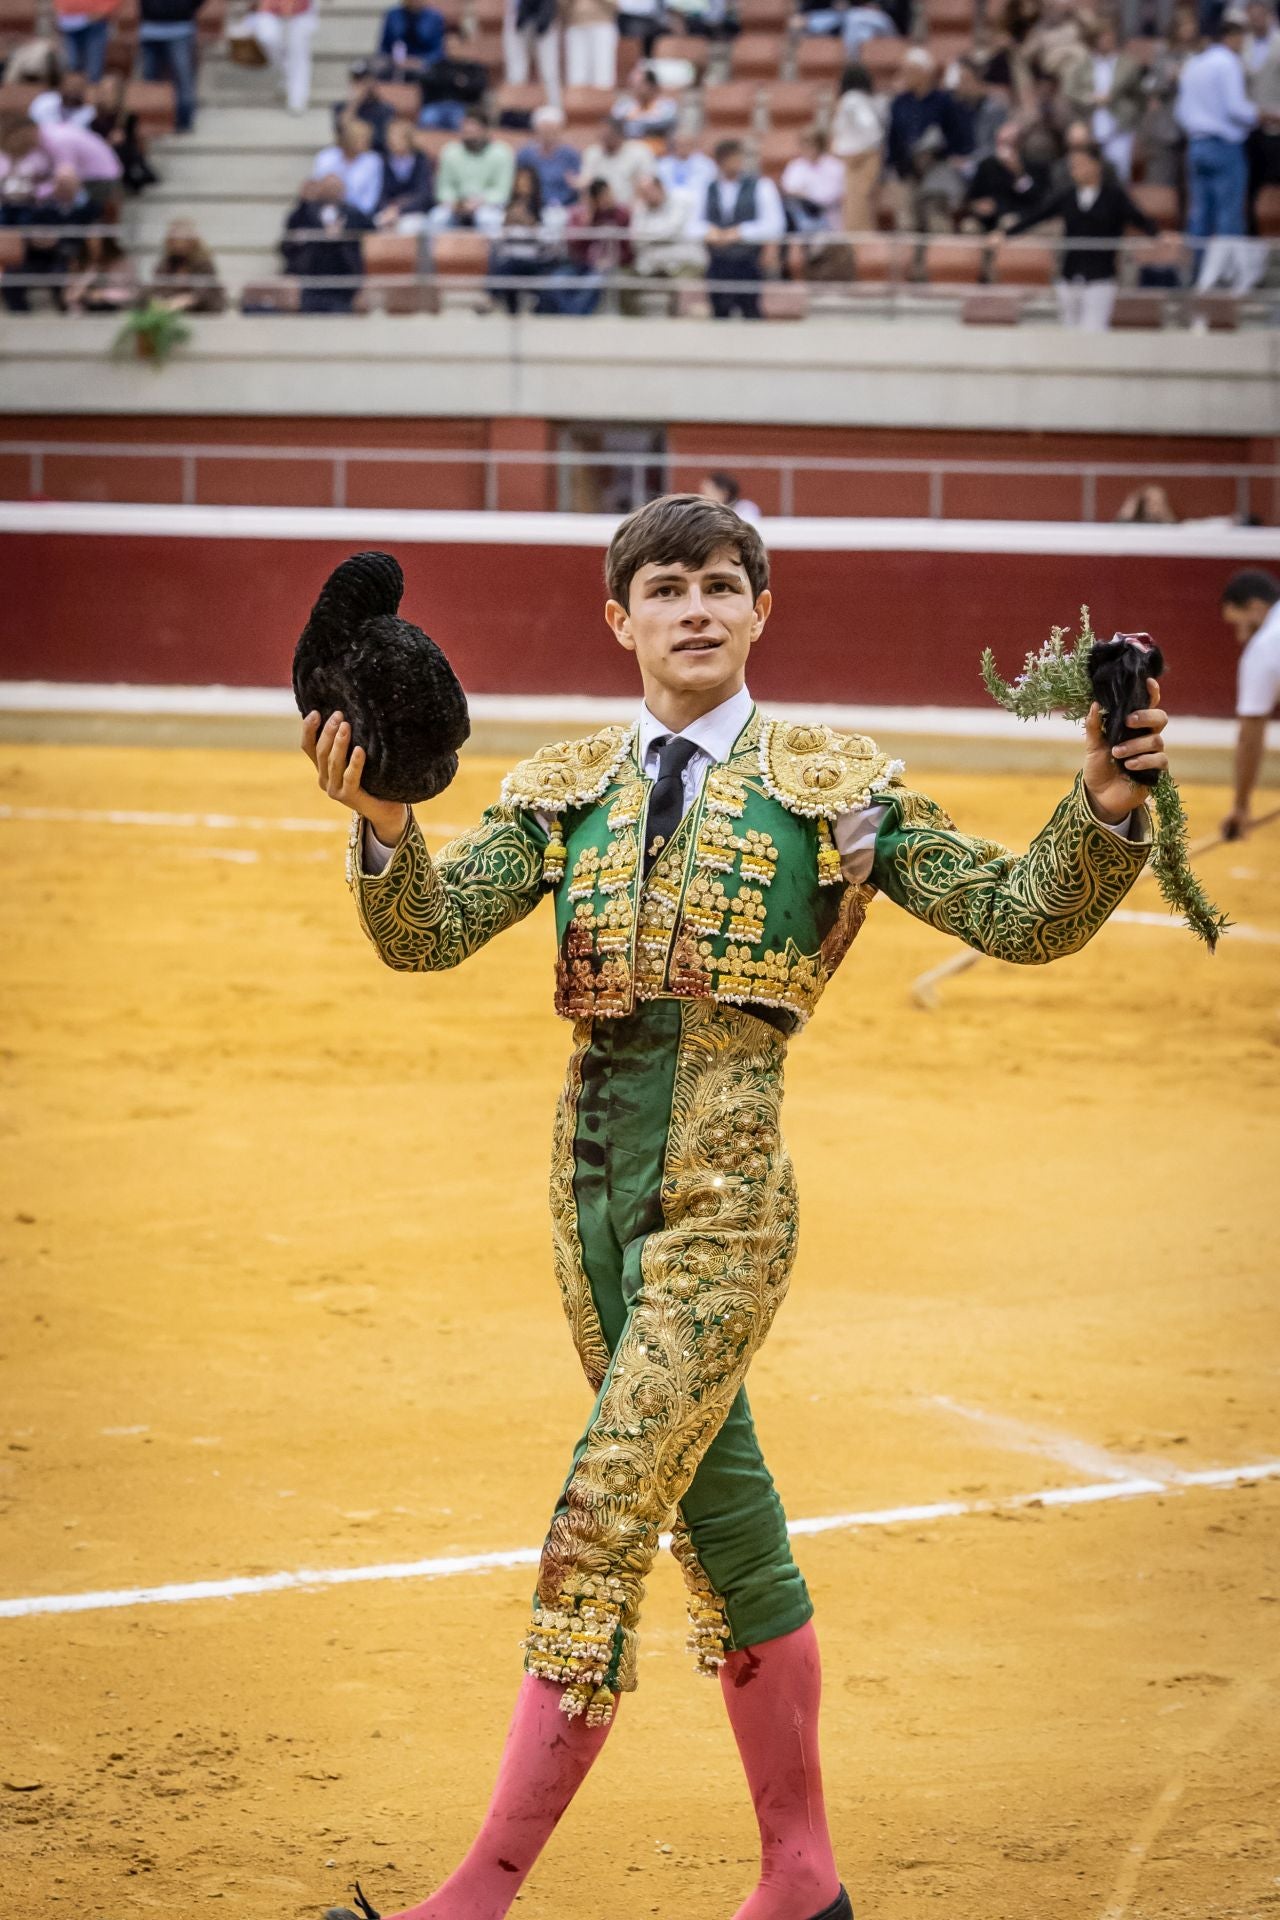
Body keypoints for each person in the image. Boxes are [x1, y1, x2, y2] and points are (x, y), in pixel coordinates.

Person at [309, 489, 1167, 1920]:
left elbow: (1024, 918)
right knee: (728, 1534)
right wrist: (386, 820)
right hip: (588, 1212)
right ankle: (803, 1884)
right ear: (619, 620)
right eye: (665, 589)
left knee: (599, 1523)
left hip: (726, 1205)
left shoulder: (839, 781)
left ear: (761, 612)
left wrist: (1107, 806)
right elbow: (431, 939)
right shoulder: (566, 783)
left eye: (721, 584)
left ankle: (470, 1904)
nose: (695, 607)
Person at [1001, 136, 1162, 330]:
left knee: (1094, 328)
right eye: (1073, 165)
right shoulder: (1068, 195)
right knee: (1070, 330)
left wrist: (1159, 235)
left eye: (1081, 164)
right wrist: (1006, 234)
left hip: (1100, 276)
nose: (1075, 170)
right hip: (1070, 275)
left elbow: (1139, 219)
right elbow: (1038, 215)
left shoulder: (1114, 196)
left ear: (1096, 166)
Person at [1176, 8, 1258, 280]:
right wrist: (1260, 114)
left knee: (1199, 215)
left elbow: (1180, 112)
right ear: (1232, 37)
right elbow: (1237, 108)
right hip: (1224, 146)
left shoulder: (1194, 64)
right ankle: (1221, 283)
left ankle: (1196, 275)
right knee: (1228, 216)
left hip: (1196, 146)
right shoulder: (1228, 62)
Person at [689, 135, 785, 317]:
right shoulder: (705, 188)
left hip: (748, 260)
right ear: (720, 161)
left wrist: (740, 232)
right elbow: (692, 224)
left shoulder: (761, 185)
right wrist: (710, 231)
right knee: (719, 311)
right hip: (717, 260)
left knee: (750, 309)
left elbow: (775, 224)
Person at [1219, 568, 1280, 838]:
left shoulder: (1266, 645)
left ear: (1256, 608)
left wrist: (1241, 807)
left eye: (1240, 624)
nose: (1241, 636)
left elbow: (1250, 736)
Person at [1061, 14, 1147, 181]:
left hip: (1119, 126)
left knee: (1119, 174)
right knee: (1088, 173)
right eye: (1102, 37)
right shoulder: (1082, 64)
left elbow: (1139, 97)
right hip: (1091, 125)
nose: (1107, 40)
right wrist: (1090, 98)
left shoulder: (1128, 65)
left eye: (1110, 36)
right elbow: (1070, 91)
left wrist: (1131, 116)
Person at [1, 163, 95, 311]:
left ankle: (64, 311)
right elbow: (31, 227)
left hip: (67, 256)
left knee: (63, 274)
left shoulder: (88, 209)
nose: (63, 187)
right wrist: (34, 238)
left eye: (67, 183)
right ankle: (20, 314)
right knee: (12, 274)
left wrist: (58, 241)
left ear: (76, 184)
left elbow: (87, 237)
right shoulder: (45, 206)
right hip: (38, 255)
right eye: (60, 183)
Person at [282, 172, 374, 310]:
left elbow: (371, 230)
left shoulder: (352, 213)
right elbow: (291, 232)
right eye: (329, 187)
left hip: (344, 275)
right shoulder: (307, 211)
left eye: (336, 187)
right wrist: (303, 202)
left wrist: (342, 235)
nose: (333, 191)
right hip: (312, 274)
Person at [622, 168, 703, 308]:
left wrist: (649, 236)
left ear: (660, 187)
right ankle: (635, 326)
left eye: (648, 191)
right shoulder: (641, 207)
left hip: (681, 260)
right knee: (624, 283)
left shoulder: (680, 201)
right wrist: (656, 236)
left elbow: (671, 231)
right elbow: (636, 237)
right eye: (642, 193)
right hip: (650, 263)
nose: (645, 196)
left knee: (682, 290)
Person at [428, 107, 515, 231]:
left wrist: (481, 201)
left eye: (474, 128)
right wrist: (454, 202)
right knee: (437, 218)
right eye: (466, 128)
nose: (468, 131)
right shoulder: (449, 152)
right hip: (456, 205)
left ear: (485, 130)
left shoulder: (502, 153)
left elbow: (502, 191)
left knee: (487, 219)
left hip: (488, 205)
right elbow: (444, 187)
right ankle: (440, 251)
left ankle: (490, 251)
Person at [554, 172, 630, 310]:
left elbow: (627, 246)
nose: (606, 198)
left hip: (609, 266)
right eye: (601, 195)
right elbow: (574, 245)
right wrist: (589, 219)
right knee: (556, 282)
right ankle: (570, 317)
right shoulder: (579, 214)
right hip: (581, 264)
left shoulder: (621, 214)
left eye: (607, 193)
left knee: (592, 282)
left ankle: (575, 319)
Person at [488, 162, 560, 309]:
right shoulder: (504, 209)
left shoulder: (546, 209)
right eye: (519, 180)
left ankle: (494, 298)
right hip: (510, 260)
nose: (522, 185)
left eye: (526, 181)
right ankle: (499, 302)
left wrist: (531, 225)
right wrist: (506, 224)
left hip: (535, 262)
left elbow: (552, 244)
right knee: (504, 267)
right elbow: (494, 242)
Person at [829, 59, 886, 234]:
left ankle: (860, 249)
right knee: (858, 204)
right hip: (860, 157)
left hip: (861, 159)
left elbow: (871, 129)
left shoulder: (852, 100)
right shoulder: (870, 100)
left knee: (858, 206)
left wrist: (858, 153)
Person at [961, 118, 1050, 229]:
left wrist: (1018, 172)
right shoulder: (987, 165)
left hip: (1016, 216)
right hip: (988, 219)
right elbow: (970, 198)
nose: (1003, 149)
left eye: (1008, 143)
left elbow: (1036, 200)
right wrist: (977, 205)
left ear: (1020, 144)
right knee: (969, 226)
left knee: (1008, 222)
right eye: (1000, 142)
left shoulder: (1033, 166)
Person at [138, 0, 206, 135]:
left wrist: (185, 8)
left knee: (183, 77)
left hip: (180, 28)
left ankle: (184, 120)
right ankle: (152, 122)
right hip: (149, 28)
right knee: (149, 80)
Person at [91, 70, 159, 192]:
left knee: (124, 147)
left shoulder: (127, 117)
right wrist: (109, 142)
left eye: (108, 92)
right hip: (101, 160)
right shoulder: (93, 118)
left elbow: (133, 144)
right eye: (102, 92)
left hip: (125, 159)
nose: (104, 95)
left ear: (117, 94)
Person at [573, 114, 655, 207]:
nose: (603, 139)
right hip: (601, 211)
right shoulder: (593, 153)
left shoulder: (640, 151)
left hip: (631, 208)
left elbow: (647, 183)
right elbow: (585, 181)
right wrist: (580, 184)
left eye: (607, 136)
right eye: (601, 136)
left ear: (619, 134)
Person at [312, 113, 385, 217]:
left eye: (366, 138)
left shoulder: (373, 161)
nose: (364, 141)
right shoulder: (326, 157)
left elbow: (370, 198)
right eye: (359, 138)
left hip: (358, 214)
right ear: (347, 138)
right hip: (327, 209)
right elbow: (317, 188)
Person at [253, 0, 318, 115]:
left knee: (299, 50)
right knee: (268, 38)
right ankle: (287, 76)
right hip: (270, 7)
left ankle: (298, 98)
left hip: (302, 9)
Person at [151, 215, 225, 308]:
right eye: (175, 238)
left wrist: (183, 300)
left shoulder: (203, 262)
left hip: (203, 312)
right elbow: (158, 288)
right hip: (170, 310)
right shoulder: (166, 262)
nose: (179, 242)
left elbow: (205, 293)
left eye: (183, 238)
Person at [516, 105, 581, 209]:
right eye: (544, 130)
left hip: (565, 206)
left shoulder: (570, 155)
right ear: (536, 130)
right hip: (533, 207)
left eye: (552, 130)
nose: (548, 134)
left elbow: (577, 182)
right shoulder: (525, 154)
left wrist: (576, 184)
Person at [374, 116, 434, 226]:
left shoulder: (420, 160)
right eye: (390, 136)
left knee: (408, 226)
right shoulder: (384, 161)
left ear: (408, 139)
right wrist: (388, 209)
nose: (391, 140)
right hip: (389, 211)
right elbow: (380, 194)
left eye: (396, 136)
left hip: (415, 212)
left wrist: (400, 209)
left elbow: (424, 195)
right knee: (377, 223)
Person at [504, 0, 561, 110]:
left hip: (545, 11)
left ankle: (555, 109)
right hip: (517, 14)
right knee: (516, 71)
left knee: (549, 70)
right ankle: (514, 111)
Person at [64, 228, 137, 308]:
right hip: (85, 311)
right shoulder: (80, 263)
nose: (94, 247)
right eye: (90, 242)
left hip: (115, 309)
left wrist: (103, 294)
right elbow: (70, 296)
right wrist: (90, 274)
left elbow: (130, 294)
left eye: (98, 243)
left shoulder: (121, 262)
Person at [53, 0, 120, 82]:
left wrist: (102, 12)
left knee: (93, 70)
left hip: (96, 23)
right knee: (72, 66)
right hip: (69, 23)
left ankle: (92, 89)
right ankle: (75, 90)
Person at [377, 0, 447, 76]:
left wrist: (420, 62)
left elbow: (438, 50)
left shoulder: (435, 18)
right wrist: (393, 60)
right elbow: (384, 45)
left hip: (424, 61)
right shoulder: (392, 15)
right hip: (395, 61)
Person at [613, 64, 678, 142]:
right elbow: (615, 122)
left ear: (651, 86)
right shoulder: (624, 106)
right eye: (632, 85)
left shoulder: (667, 106)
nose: (635, 89)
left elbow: (661, 123)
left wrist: (632, 121)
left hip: (657, 150)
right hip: (630, 150)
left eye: (639, 85)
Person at [563, 0, 619, 87]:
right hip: (575, 24)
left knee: (602, 74)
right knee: (576, 75)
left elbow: (616, 4)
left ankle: (602, 99)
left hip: (602, 24)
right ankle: (577, 99)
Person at [654, 125, 717, 202]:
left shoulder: (706, 164)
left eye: (687, 144)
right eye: (679, 144)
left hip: (697, 204)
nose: (683, 148)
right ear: (673, 145)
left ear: (693, 145)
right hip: (669, 205)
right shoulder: (663, 165)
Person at [29, 73, 97, 127]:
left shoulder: (89, 113)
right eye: (70, 85)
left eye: (77, 86)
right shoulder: (45, 100)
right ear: (61, 85)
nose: (73, 90)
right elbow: (32, 122)